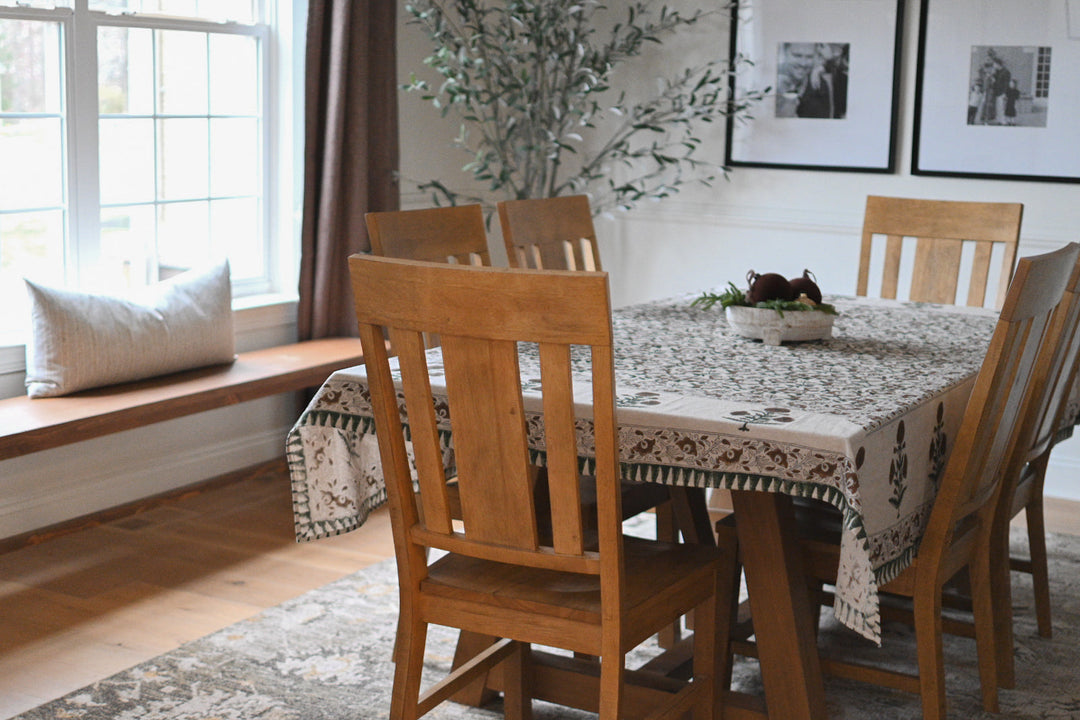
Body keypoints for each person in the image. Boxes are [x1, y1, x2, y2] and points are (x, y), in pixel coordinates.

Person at [775, 42, 845, 119]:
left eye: (809, 57)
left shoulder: (819, 86)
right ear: (785, 52)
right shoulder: (773, 80)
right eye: (797, 56)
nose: (803, 63)